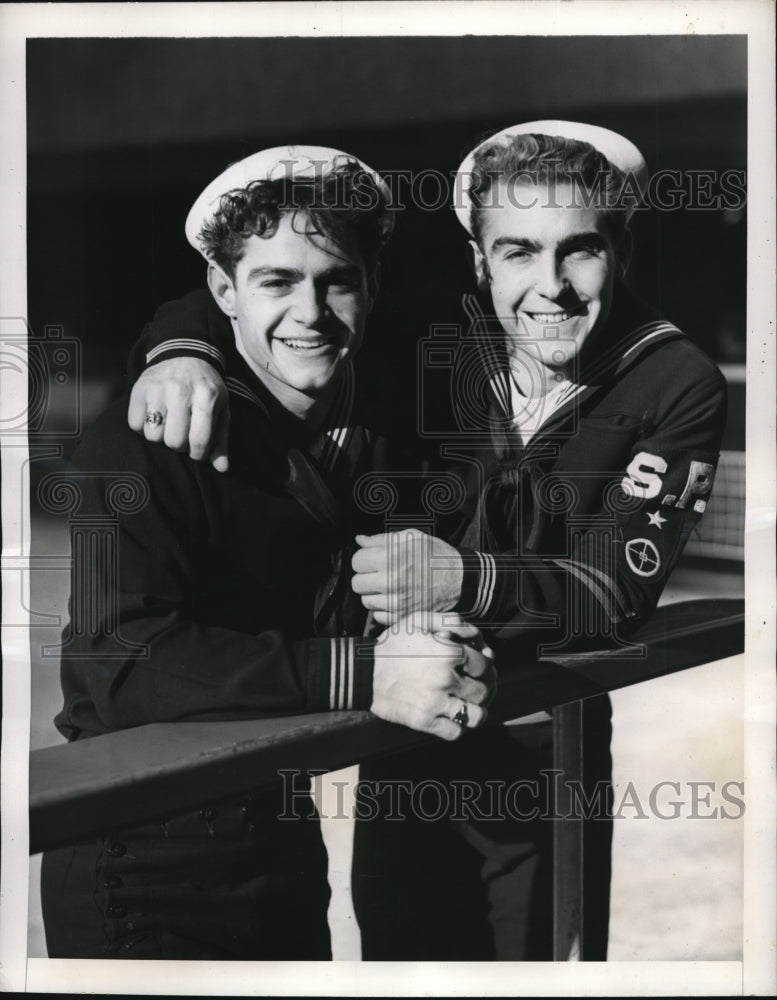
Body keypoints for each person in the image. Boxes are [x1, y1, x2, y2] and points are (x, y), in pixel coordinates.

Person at [125, 122, 727, 959]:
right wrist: (178, 346)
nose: (547, 287)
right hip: (405, 730)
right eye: (516, 252)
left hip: (542, 745)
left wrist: (462, 578)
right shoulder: (427, 331)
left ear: (618, 248)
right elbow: (279, 287)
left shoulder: (675, 379)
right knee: (399, 958)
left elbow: (612, 592)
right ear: (479, 261)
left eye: (578, 251)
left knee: (535, 968)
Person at [41, 145, 496, 961]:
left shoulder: (374, 419)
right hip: (141, 859)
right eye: (276, 282)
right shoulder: (141, 441)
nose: (311, 311)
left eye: (337, 280)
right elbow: (121, 664)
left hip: (284, 838)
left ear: (371, 287)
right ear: (224, 293)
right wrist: (366, 672)